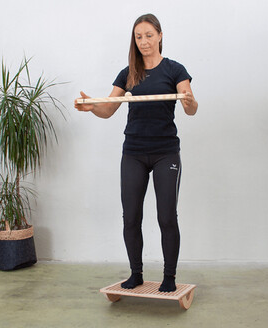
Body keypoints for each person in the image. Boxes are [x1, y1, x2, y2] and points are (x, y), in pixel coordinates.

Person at [75, 13, 198, 292]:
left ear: (160, 36)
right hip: (133, 153)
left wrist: (190, 101)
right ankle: (136, 274)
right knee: (131, 217)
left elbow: (190, 106)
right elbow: (108, 108)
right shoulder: (129, 73)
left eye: (149, 35)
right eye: (138, 37)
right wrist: (91, 106)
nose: (143, 42)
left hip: (165, 152)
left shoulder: (175, 70)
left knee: (166, 216)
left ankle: (169, 278)